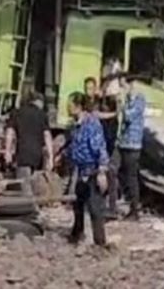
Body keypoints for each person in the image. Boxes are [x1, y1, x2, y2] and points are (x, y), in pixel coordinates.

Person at [68, 92, 109, 246]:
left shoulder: (92, 124)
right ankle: (77, 235)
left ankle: (100, 243)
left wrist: (102, 171)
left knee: (95, 208)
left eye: (70, 104)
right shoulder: (76, 125)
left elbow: (100, 147)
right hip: (81, 169)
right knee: (78, 204)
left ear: (78, 106)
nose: (68, 107)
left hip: (93, 169)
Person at [84, 76, 120, 218]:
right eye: (87, 88)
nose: (89, 91)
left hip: (106, 143)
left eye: (92, 88)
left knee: (109, 174)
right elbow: (95, 114)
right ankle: (94, 204)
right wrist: (113, 114)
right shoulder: (86, 102)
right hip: (93, 143)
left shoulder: (102, 100)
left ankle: (111, 207)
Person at [4, 92, 53, 195]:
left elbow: (10, 132)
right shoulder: (42, 115)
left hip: (23, 154)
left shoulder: (17, 112)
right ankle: (31, 206)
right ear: (39, 102)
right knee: (32, 186)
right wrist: (50, 157)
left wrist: (7, 151)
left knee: (23, 187)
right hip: (37, 157)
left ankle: (28, 207)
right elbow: (47, 136)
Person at [117, 76, 146, 220]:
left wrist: (122, 104)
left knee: (132, 177)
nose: (122, 89)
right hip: (124, 143)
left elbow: (128, 117)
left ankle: (135, 209)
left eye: (124, 85)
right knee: (120, 173)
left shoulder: (139, 100)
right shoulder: (129, 100)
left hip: (133, 145)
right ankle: (126, 201)